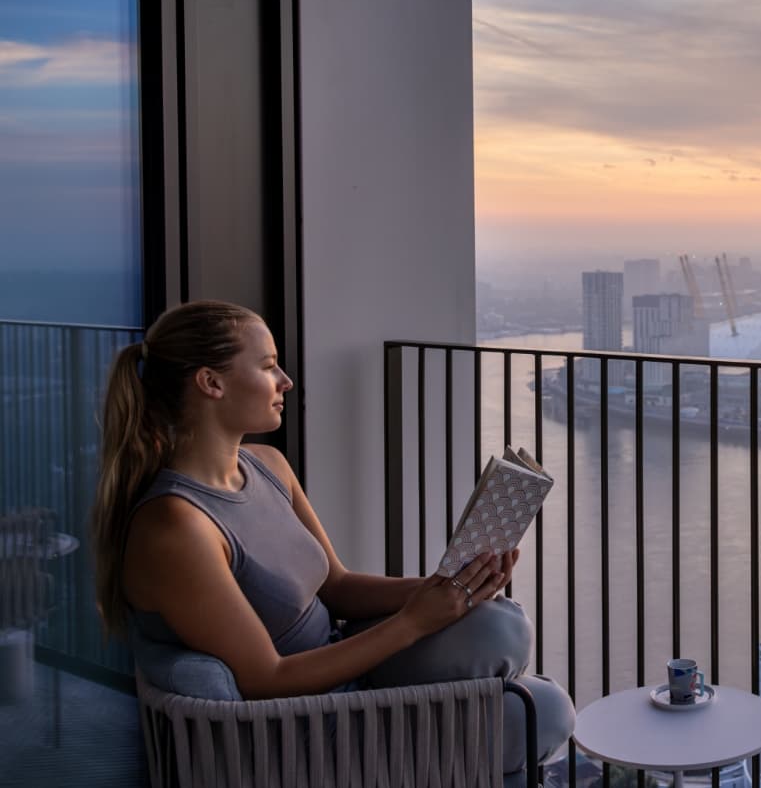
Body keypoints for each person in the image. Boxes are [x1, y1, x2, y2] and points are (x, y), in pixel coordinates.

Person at [90, 299, 572, 770]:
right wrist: (413, 623)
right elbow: (265, 679)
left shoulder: (268, 465)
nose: (286, 381)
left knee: (499, 623)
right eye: (268, 366)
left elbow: (337, 587)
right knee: (545, 710)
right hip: (309, 722)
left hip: (349, 663)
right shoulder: (176, 527)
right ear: (211, 382)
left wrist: (447, 588)